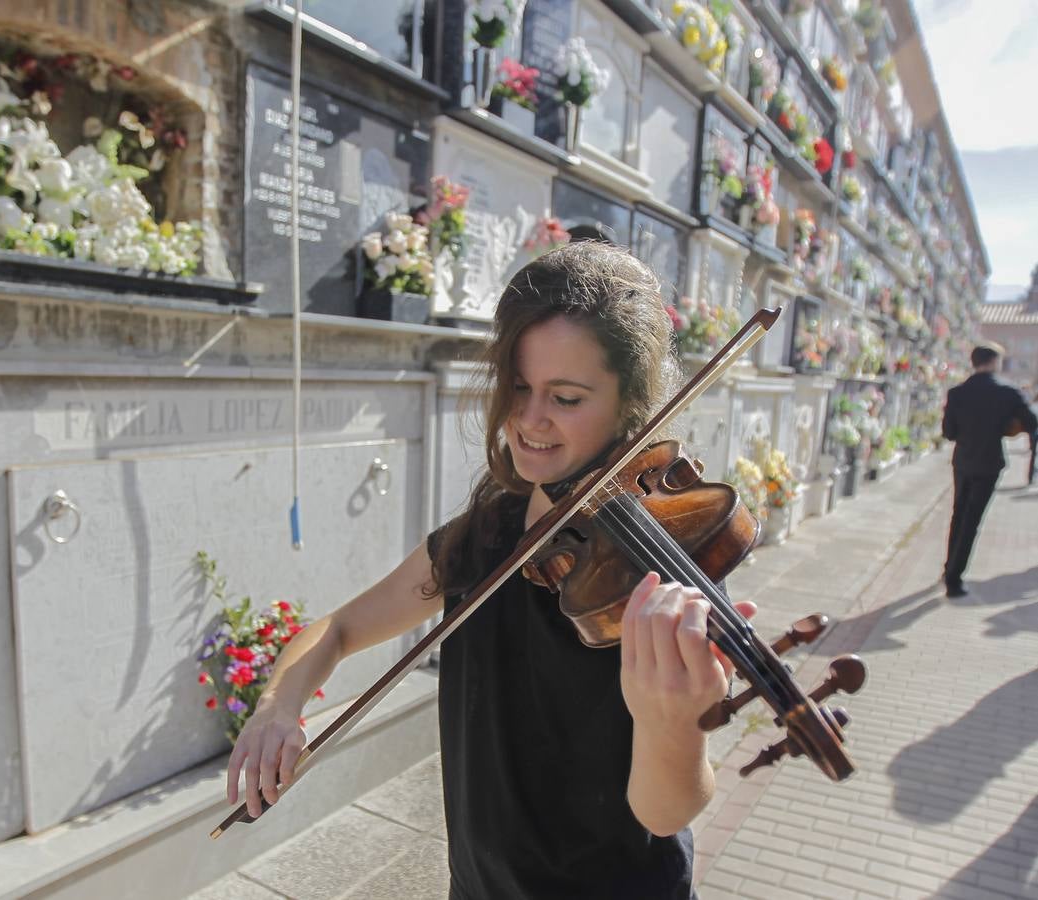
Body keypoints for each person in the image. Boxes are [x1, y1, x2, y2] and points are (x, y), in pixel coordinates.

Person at [224, 242, 757, 899]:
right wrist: (279, 704)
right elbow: (337, 628)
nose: (530, 419)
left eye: (564, 397)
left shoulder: (653, 570)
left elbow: (666, 811)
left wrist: (668, 725)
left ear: (630, 406)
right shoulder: (484, 536)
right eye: (519, 387)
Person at [940, 342, 1038, 598]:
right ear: (995, 362)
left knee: (958, 515)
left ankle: (949, 567)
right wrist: (1007, 426)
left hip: (962, 460)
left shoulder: (957, 393)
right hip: (989, 462)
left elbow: (949, 433)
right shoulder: (1008, 393)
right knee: (971, 520)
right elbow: (1031, 422)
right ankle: (954, 579)